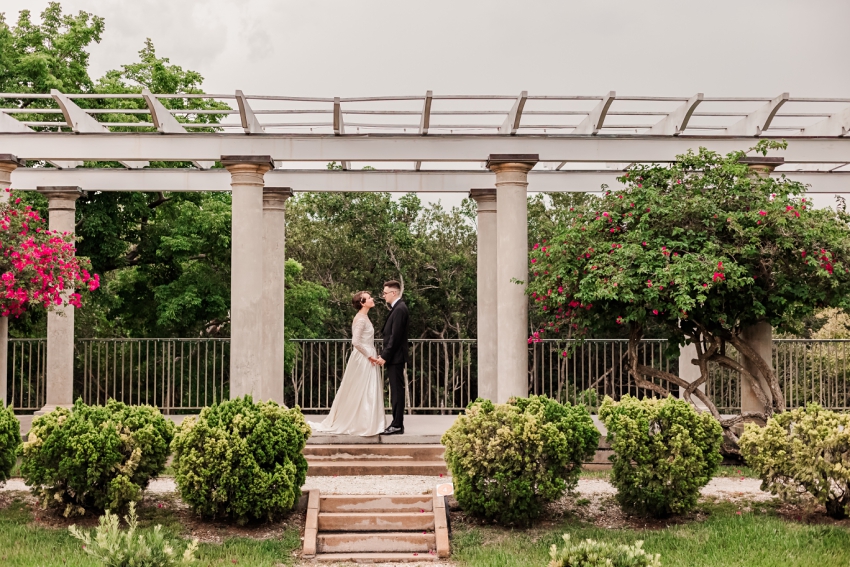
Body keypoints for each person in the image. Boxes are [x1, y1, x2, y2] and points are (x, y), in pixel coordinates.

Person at [307, 291, 386, 436]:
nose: (372, 299)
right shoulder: (361, 319)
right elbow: (355, 342)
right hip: (363, 357)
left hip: (367, 354)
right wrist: (369, 356)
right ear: (362, 302)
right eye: (369, 298)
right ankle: (361, 423)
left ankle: (365, 421)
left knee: (365, 389)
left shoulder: (364, 317)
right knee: (363, 388)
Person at [375, 280, 409, 435]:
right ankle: (396, 423)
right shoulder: (397, 308)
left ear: (393, 293)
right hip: (393, 357)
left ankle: (397, 424)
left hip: (396, 357)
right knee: (395, 391)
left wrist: (385, 356)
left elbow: (395, 337)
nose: (384, 296)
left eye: (385, 293)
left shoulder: (400, 309)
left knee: (397, 391)